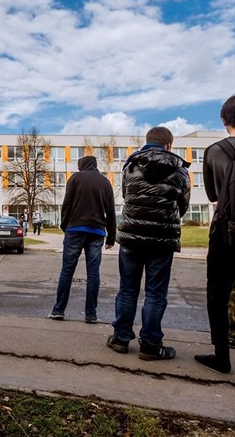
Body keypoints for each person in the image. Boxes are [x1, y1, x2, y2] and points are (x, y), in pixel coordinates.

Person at [107, 127, 190, 360]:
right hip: (162, 239)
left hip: (132, 237)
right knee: (155, 293)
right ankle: (151, 345)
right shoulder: (181, 170)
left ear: (147, 142)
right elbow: (182, 205)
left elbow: (127, 196)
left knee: (127, 289)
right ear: (169, 145)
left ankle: (121, 339)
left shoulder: (130, 166)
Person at [194, 95, 235, 373]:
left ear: (223, 120)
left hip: (226, 230)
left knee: (217, 293)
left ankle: (221, 356)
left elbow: (211, 194)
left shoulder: (214, 151)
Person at [49, 156, 116, 324]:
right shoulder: (105, 182)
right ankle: (91, 314)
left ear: (82, 165)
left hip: (75, 230)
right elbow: (111, 211)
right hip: (96, 231)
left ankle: (59, 310)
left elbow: (67, 204)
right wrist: (112, 236)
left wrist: (65, 226)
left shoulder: (75, 178)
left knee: (67, 270)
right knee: (93, 273)